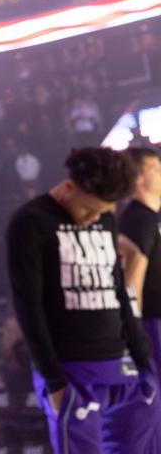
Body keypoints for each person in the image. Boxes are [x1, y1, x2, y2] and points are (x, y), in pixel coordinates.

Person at [8, 147, 160, 453]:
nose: (95, 217)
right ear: (68, 188)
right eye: (89, 209)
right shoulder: (30, 221)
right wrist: (53, 380)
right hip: (71, 369)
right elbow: (29, 307)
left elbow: (120, 292)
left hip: (121, 367)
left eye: (103, 211)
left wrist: (145, 364)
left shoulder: (105, 218)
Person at [118, 146, 161, 373]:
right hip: (152, 323)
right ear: (140, 177)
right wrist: (135, 331)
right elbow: (132, 279)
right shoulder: (138, 220)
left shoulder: (149, 219)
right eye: (156, 168)